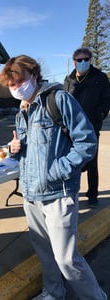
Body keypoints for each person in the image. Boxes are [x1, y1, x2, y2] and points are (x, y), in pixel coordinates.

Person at [0, 55, 107, 300]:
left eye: (19, 82)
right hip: (31, 194)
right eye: (11, 86)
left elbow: (87, 141)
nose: (16, 89)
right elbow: (27, 151)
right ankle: (53, 292)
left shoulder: (59, 100)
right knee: (45, 254)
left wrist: (59, 170)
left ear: (34, 75)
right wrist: (13, 149)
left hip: (59, 193)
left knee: (67, 260)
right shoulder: (22, 111)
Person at [64, 47, 110, 208]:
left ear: (90, 60)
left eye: (86, 60)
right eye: (79, 60)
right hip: (70, 130)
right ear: (74, 62)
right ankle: (72, 192)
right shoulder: (69, 79)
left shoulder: (100, 78)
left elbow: (106, 101)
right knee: (71, 163)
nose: (83, 62)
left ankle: (92, 195)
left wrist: (98, 115)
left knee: (91, 163)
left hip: (91, 128)